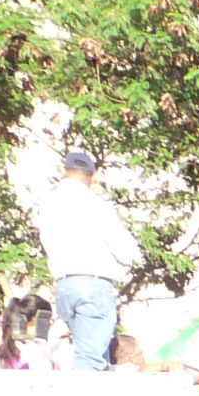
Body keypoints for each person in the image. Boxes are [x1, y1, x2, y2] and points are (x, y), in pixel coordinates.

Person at [33, 149, 140, 371]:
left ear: (64, 171)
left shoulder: (47, 202)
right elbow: (125, 250)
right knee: (90, 359)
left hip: (64, 286)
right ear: (93, 175)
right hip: (93, 285)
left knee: (87, 352)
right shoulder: (96, 204)